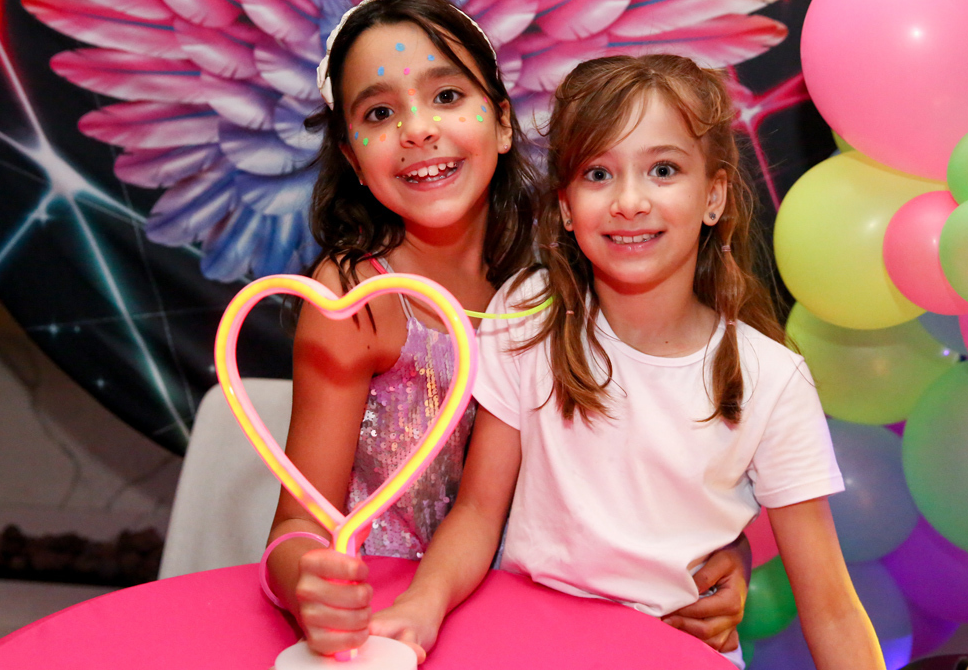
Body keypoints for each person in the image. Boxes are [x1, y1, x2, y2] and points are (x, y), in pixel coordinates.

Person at [261, 0, 751, 657]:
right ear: (352, 157)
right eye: (379, 112)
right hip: (388, 625)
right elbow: (296, 526)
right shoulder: (356, 301)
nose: (417, 130)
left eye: (446, 96)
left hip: (534, 623)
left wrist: (729, 553)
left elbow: (652, 464)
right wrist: (308, 583)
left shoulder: (556, 287)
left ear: (501, 123)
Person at [367, 55, 884, 670]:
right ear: (565, 206)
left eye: (663, 170)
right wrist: (422, 606)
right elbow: (479, 511)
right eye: (598, 174)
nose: (630, 201)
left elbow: (830, 607)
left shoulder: (771, 379)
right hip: (526, 646)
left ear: (714, 195)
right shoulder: (528, 314)